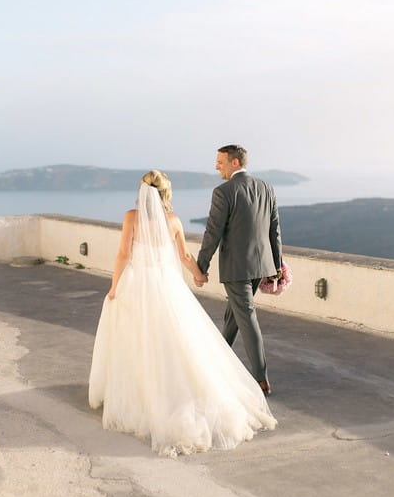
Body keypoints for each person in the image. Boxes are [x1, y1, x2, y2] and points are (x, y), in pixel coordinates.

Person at [88, 169, 276, 457]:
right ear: (166, 193)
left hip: (138, 284)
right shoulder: (173, 221)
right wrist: (199, 275)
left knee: (137, 338)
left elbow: (124, 254)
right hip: (167, 285)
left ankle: (142, 394)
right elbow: (185, 256)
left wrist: (114, 287)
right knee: (177, 338)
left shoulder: (131, 217)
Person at [196, 145, 282, 395]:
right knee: (233, 316)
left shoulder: (224, 191)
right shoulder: (267, 188)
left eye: (220, 161)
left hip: (237, 267)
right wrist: (275, 266)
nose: (216, 166)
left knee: (246, 317)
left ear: (235, 163)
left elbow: (213, 232)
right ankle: (219, 362)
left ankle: (261, 378)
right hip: (261, 264)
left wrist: (201, 266)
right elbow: (274, 230)